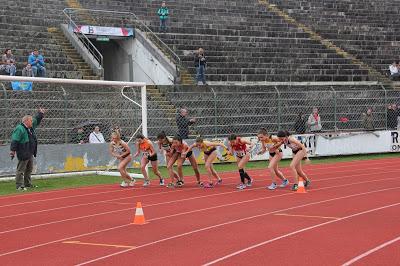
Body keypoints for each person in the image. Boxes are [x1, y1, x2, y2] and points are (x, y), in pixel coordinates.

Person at [9, 107, 45, 191]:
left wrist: (41, 114)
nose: (32, 122)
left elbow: (36, 120)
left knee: (29, 169)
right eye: (30, 121)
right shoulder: (19, 128)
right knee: (20, 169)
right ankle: (19, 186)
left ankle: (27, 184)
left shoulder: (30, 127)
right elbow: (15, 140)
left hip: (30, 152)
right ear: (26, 121)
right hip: (23, 152)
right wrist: (12, 151)